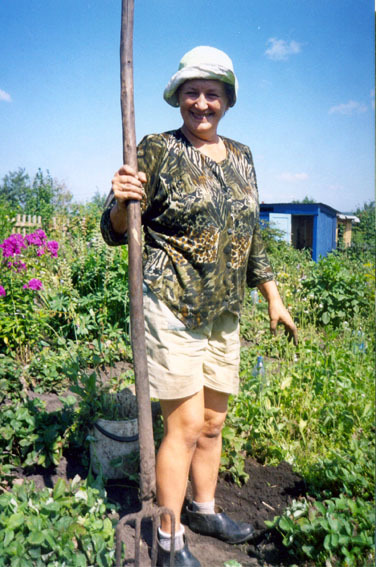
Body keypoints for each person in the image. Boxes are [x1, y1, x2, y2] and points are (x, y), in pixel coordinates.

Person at [101, 45, 298, 567]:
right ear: (178, 98)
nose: (202, 103)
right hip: (171, 301)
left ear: (228, 100)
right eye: (193, 92)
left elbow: (250, 236)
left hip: (223, 309)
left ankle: (204, 509)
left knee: (212, 421)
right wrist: (122, 202)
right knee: (184, 425)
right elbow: (114, 231)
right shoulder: (157, 149)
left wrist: (273, 297)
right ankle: (168, 542)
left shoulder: (242, 155)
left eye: (213, 93)